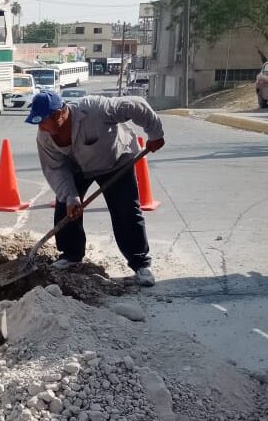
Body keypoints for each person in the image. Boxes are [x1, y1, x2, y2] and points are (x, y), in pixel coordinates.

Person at [26, 91, 165, 286]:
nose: (40, 127)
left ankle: (140, 263)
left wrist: (155, 133)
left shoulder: (95, 109)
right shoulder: (45, 137)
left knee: (126, 211)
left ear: (59, 114)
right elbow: (56, 169)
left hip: (115, 160)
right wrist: (71, 197)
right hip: (77, 167)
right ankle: (71, 255)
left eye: (43, 121)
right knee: (65, 208)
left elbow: (136, 105)